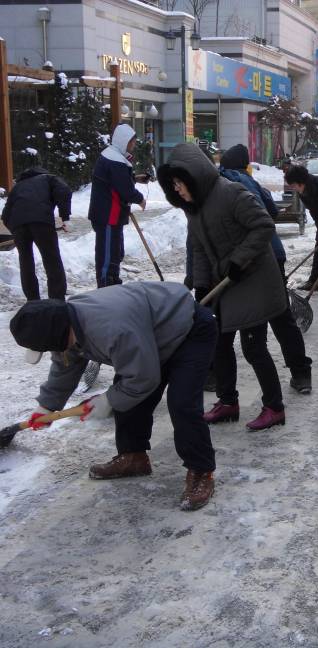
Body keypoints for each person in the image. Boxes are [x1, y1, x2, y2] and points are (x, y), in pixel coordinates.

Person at [10, 282, 219, 510]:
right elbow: (65, 365)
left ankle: (202, 471)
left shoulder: (111, 328)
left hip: (189, 330)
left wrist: (108, 401)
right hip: (148, 334)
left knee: (181, 403)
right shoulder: (65, 322)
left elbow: (143, 378)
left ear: (58, 335)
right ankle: (133, 457)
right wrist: (47, 406)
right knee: (126, 394)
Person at [158, 143, 287, 431]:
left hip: (254, 280)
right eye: (173, 185)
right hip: (225, 283)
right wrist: (201, 286)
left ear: (193, 176)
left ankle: (274, 407)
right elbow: (199, 250)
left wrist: (238, 260)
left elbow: (263, 225)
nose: (177, 189)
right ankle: (228, 402)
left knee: (253, 348)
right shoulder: (193, 208)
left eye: (179, 183)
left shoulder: (231, 193)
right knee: (218, 343)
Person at [218, 144, 313, 394]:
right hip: (273, 253)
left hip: (245, 258)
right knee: (281, 315)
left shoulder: (223, 183)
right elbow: (271, 211)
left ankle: (214, 375)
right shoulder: (252, 183)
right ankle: (301, 373)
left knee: (227, 317)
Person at [87, 123, 147, 288]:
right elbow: (125, 190)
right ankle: (106, 284)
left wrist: (134, 178)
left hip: (111, 214)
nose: (133, 145)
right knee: (108, 254)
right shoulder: (115, 161)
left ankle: (113, 282)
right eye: (132, 141)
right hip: (108, 214)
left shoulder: (114, 157)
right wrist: (140, 199)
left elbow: (116, 181)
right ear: (123, 140)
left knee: (115, 251)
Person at [1, 164, 71, 300]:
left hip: (18, 225)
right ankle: (56, 299)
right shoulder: (49, 178)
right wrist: (65, 217)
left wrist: (15, 229)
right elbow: (64, 190)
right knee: (51, 259)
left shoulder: (17, 187)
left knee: (26, 262)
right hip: (42, 222)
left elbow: (5, 215)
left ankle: (32, 300)